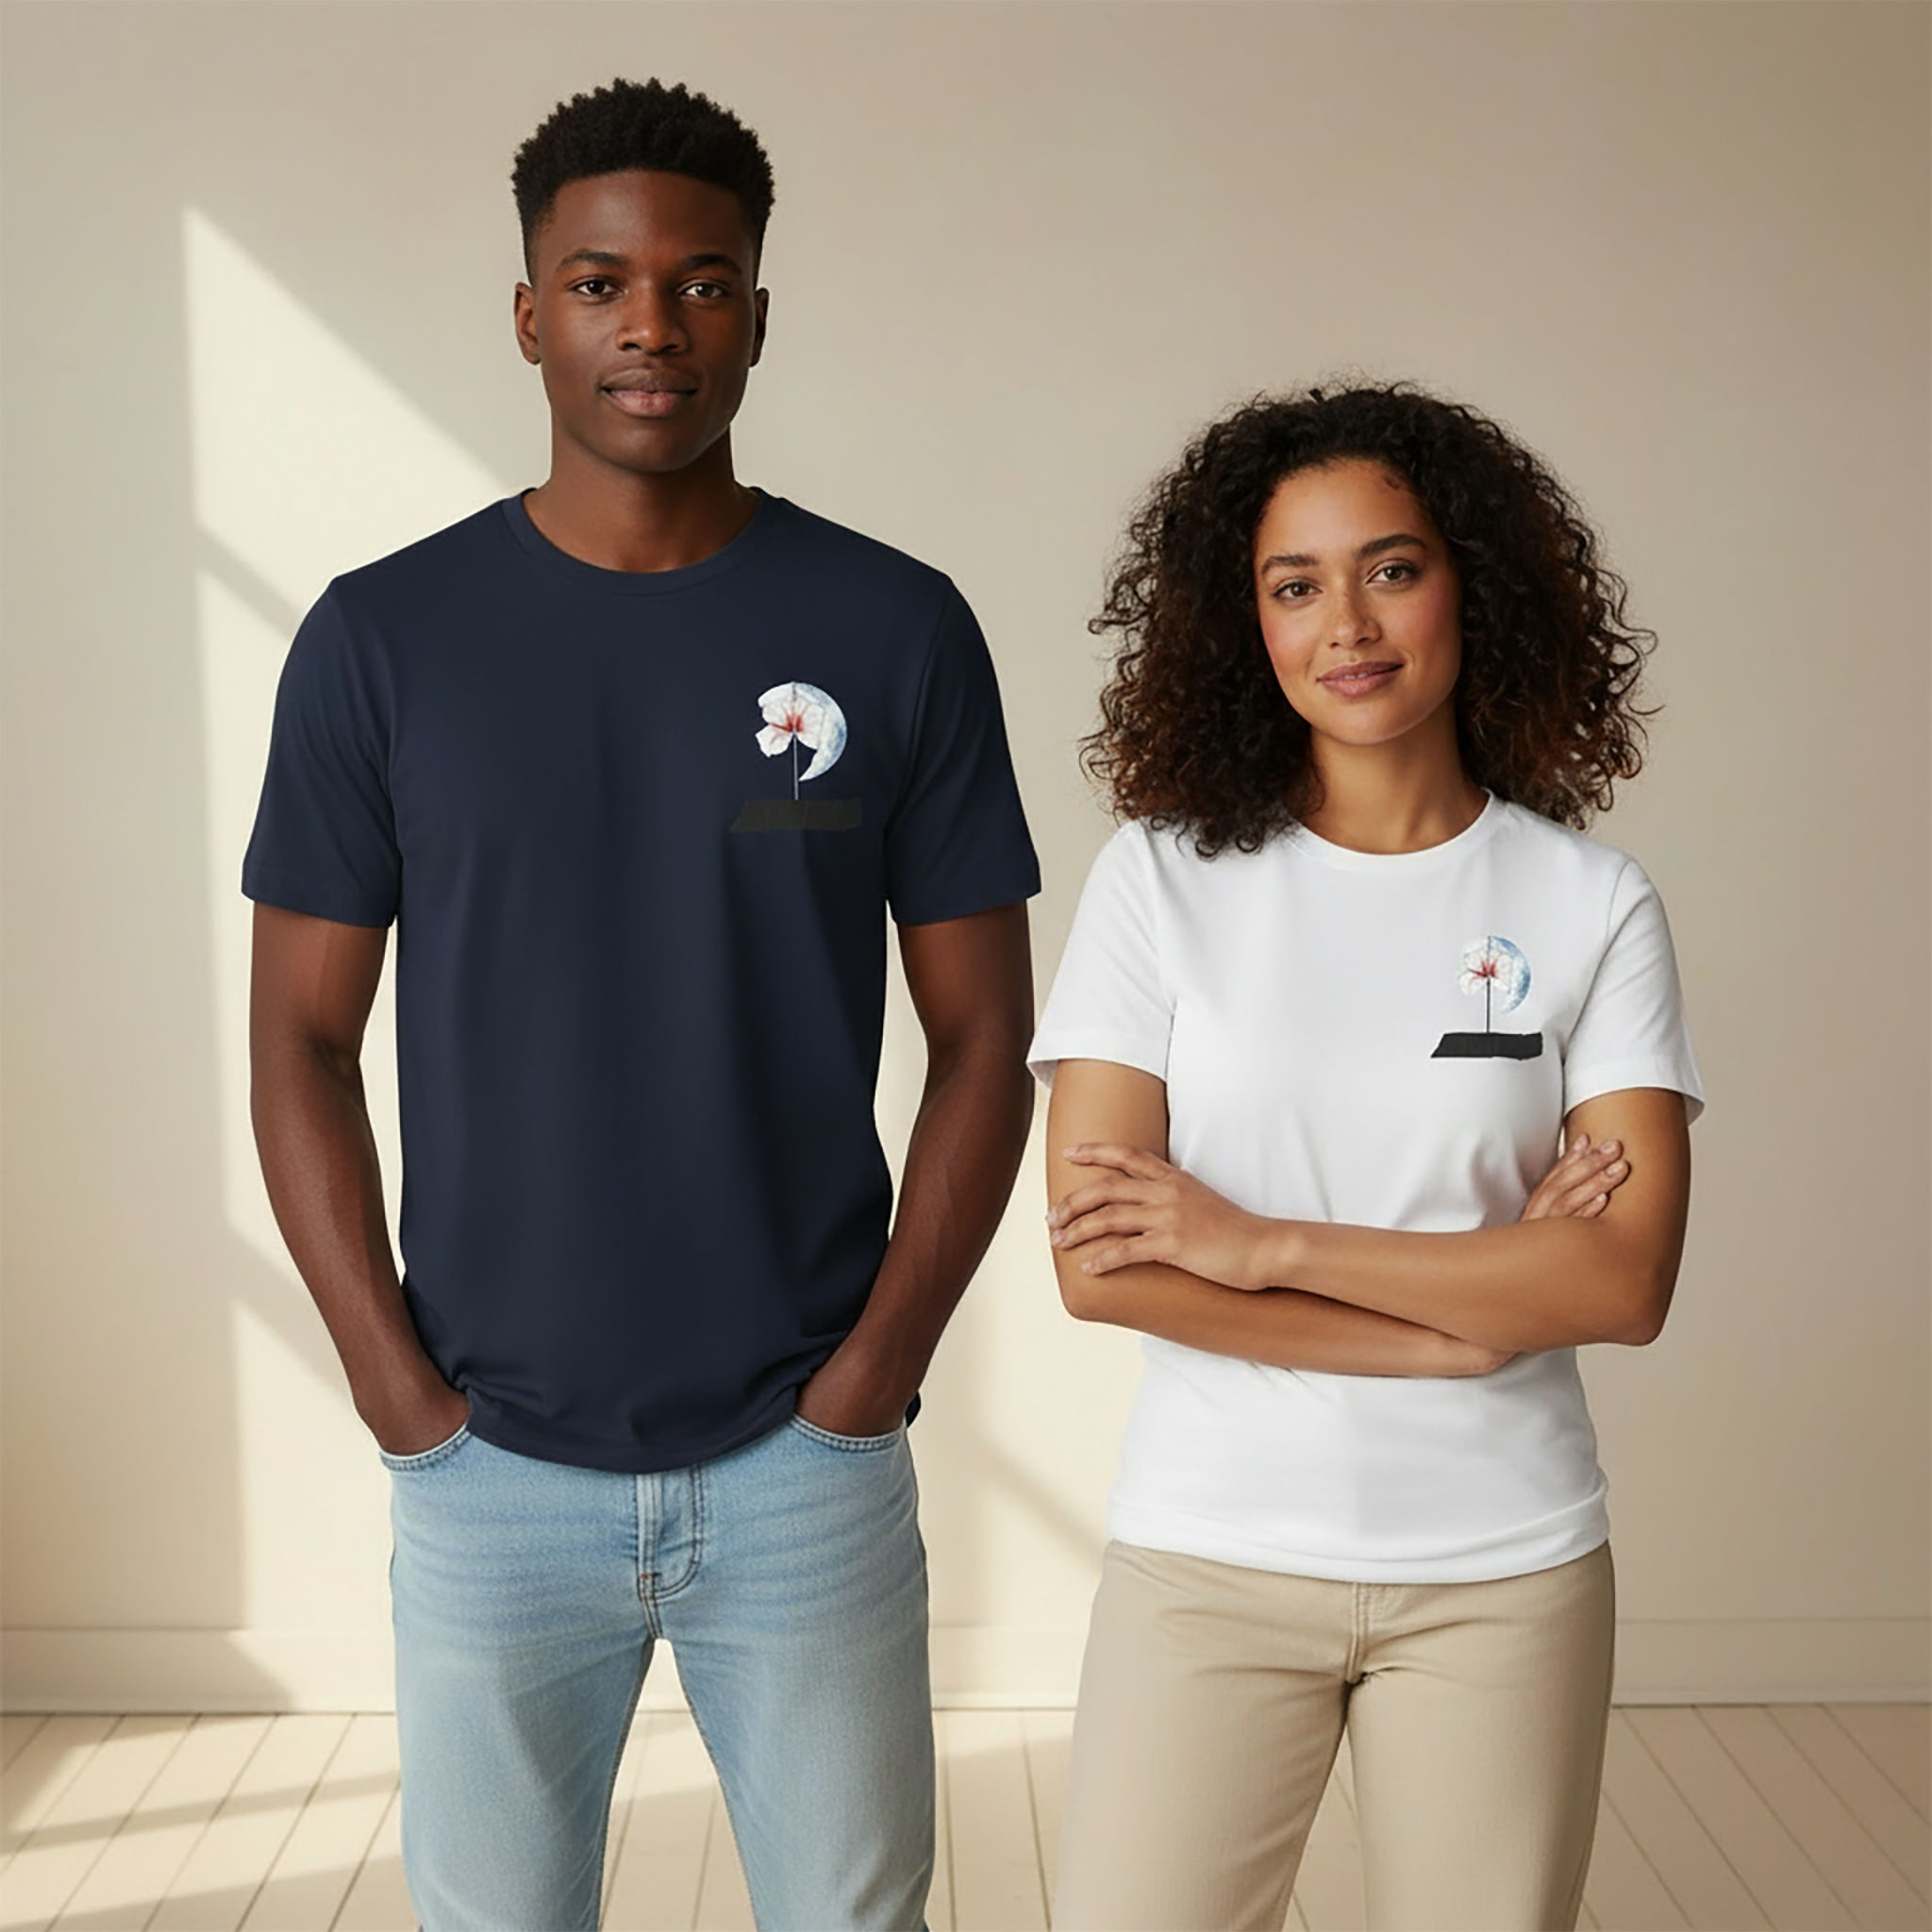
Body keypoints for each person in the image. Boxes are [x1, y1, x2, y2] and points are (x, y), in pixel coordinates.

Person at [243, 77, 1037, 1932]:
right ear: (531, 314)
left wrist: (875, 1371)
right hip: (487, 1464)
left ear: (757, 311)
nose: (649, 327)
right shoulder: (382, 638)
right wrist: (393, 1387)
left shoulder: (894, 626)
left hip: (804, 1457)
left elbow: (987, 1035)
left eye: (699, 283)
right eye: (599, 283)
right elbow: (297, 1036)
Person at [1029, 383, 1701, 1932]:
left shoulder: (1589, 903)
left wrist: (1259, 1242)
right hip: (1206, 1557)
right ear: (1241, 623)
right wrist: (1464, 1327)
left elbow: (1621, 1276)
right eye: (1295, 583)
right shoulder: (1159, 882)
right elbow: (1101, 1265)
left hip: (1505, 1572)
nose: (1350, 622)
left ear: (1474, 580)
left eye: (1392, 567)